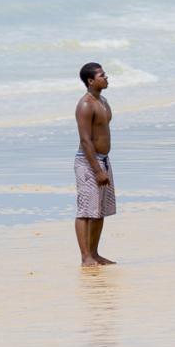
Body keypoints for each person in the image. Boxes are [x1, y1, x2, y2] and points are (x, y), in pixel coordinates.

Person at [74, 62, 116, 267]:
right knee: (86, 211)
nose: (106, 78)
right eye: (102, 75)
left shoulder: (104, 100)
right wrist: (97, 170)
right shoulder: (85, 105)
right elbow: (85, 140)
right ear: (91, 81)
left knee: (100, 210)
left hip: (104, 160)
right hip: (88, 162)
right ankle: (85, 257)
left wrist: (103, 166)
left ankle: (95, 253)